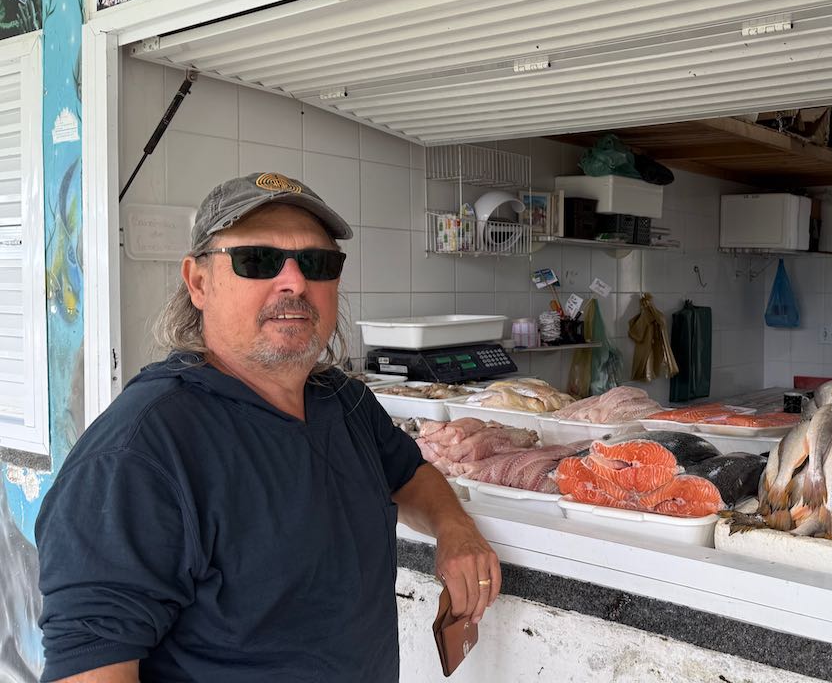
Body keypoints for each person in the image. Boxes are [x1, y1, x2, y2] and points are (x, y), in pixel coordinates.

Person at [35, 173, 500, 682]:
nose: (295, 282)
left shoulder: (344, 402)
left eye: (316, 263)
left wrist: (454, 528)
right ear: (198, 282)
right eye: (257, 260)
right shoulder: (139, 453)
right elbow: (90, 668)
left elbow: (408, 474)